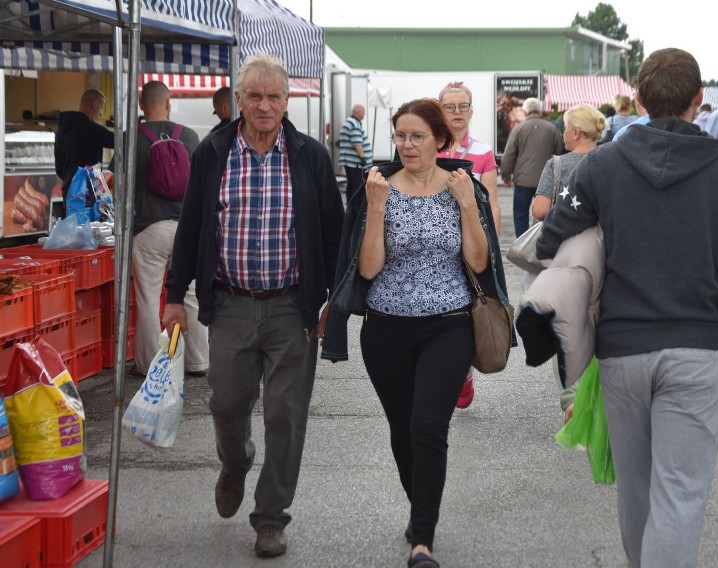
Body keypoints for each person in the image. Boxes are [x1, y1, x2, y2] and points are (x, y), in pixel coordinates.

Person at [536, 48, 718, 567]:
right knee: (680, 496)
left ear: (638, 99)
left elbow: (552, 242)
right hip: (698, 346)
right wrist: (714, 291)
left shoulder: (601, 164)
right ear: (697, 100)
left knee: (636, 490)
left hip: (622, 348)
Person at [161, 52, 344, 559]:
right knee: (226, 405)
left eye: (274, 96)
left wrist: (334, 301)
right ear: (238, 100)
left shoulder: (309, 156)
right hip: (231, 305)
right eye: (255, 96)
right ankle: (235, 461)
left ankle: (270, 518)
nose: (264, 106)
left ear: (288, 101)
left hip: (292, 307)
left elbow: (334, 234)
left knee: (287, 415)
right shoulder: (214, 152)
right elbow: (191, 225)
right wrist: (175, 296)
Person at [322, 98, 508, 568]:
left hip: (449, 327)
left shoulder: (462, 186)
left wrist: (467, 204)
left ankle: (422, 537)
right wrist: (378, 208)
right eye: (400, 136)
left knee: (429, 427)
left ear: (441, 140)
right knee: (403, 431)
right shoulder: (378, 188)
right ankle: (420, 506)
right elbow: (367, 268)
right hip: (385, 330)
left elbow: (480, 262)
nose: (406, 145)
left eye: (417, 136)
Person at [529, 103, 606, 423]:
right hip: (606, 251)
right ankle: (600, 392)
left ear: (575, 132)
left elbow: (539, 210)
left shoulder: (558, 164)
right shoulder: (612, 160)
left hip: (566, 254)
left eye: (565, 128)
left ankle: (572, 395)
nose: (563, 134)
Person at [127, 81, 208, 377]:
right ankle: (198, 361)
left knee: (148, 299)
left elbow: (122, 186)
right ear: (169, 102)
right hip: (187, 229)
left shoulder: (130, 138)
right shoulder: (189, 136)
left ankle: (149, 364)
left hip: (148, 228)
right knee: (191, 295)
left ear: (140, 103)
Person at [437, 81, 501, 410]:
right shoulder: (426, 148)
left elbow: (490, 203)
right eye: (450, 107)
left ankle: (462, 370)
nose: (457, 113)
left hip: (469, 242)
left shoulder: (483, 152)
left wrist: (492, 248)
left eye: (463, 107)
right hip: (434, 244)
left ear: (472, 111)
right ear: (439, 110)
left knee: (465, 309)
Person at [501, 97, 562, 237]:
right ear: (540, 110)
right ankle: (543, 240)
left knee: (520, 214)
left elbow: (509, 154)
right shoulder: (552, 129)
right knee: (545, 214)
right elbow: (559, 152)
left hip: (523, 180)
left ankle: (522, 243)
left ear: (525, 110)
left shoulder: (519, 128)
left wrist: (505, 175)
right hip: (547, 180)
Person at [54, 89, 115, 209]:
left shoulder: (61, 130)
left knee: (73, 226)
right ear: (95, 105)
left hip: (68, 191)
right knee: (87, 227)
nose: (101, 113)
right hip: (87, 193)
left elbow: (59, 168)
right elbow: (119, 142)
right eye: (101, 107)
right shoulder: (91, 129)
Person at [338, 104, 373, 204]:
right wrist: (363, 157)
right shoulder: (354, 123)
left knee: (352, 184)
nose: (365, 114)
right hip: (355, 162)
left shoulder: (350, 122)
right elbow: (357, 142)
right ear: (358, 112)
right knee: (357, 185)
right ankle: (356, 207)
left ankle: (350, 205)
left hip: (351, 162)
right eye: (364, 111)